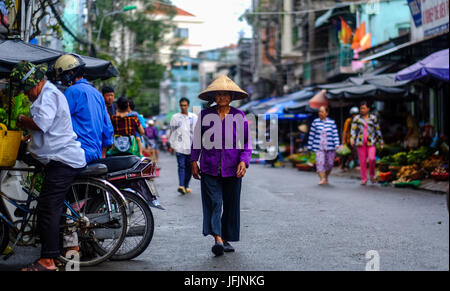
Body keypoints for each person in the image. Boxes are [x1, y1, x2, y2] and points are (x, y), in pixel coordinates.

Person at [11, 61, 86, 271]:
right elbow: (47, 127)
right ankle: (64, 249)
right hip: (58, 158)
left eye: (26, 91)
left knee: (47, 208)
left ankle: (48, 261)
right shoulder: (48, 94)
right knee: (53, 207)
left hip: (63, 160)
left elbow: (42, 124)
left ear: (34, 84)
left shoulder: (49, 95)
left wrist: (23, 120)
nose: (26, 95)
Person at [191, 75, 252, 256]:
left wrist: (244, 161)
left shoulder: (239, 116)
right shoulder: (205, 115)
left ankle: (225, 238)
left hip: (233, 167)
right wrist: (194, 160)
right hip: (209, 167)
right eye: (219, 94)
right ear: (214, 97)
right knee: (215, 202)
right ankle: (217, 238)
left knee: (231, 204)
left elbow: (246, 143)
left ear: (231, 97)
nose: (222, 98)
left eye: (226, 95)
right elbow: (196, 140)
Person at [53, 54, 114, 164]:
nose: (61, 81)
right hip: (96, 153)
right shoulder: (98, 94)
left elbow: (58, 120)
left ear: (70, 72)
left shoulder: (71, 92)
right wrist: (103, 152)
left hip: (79, 152)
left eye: (62, 76)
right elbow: (108, 127)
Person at [350, 101, 384, 185]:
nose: (362, 110)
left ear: (368, 109)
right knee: (362, 161)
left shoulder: (373, 118)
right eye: (361, 108)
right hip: (360, 142)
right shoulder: (357, 118)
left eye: (364, 108)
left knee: (372, 159)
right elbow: (353, 130)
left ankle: (372, 175)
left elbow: (377, 130)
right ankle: (364, 178)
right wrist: (352, 138)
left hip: (371, 142)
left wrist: (381, 141)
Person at [169, 97, 198, 195]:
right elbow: (172, 132)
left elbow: (197, 133)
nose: (183, 107)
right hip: (179, 146)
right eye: (181, 105)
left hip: (191, 147)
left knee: (190, 168)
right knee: (181, 166)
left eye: (185, 105)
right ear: (179, 106)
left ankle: (186, 185)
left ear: (188, 106)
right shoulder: (175, 117)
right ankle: (181, 185)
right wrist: (172, 145)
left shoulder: (194, 117)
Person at [307, 105, 340, 185]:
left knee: (330, 164)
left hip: (330, 147)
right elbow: (312, 135)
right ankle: (322, 178)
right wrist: (309, 147)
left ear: (327, 113)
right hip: (319, 147)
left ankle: (326, 176)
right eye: (319, 111)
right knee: (320, 163)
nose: (320, 113)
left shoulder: (331, 122)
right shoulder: (315, 122)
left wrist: (337, 144)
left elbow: (335, 134)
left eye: (322, 112)